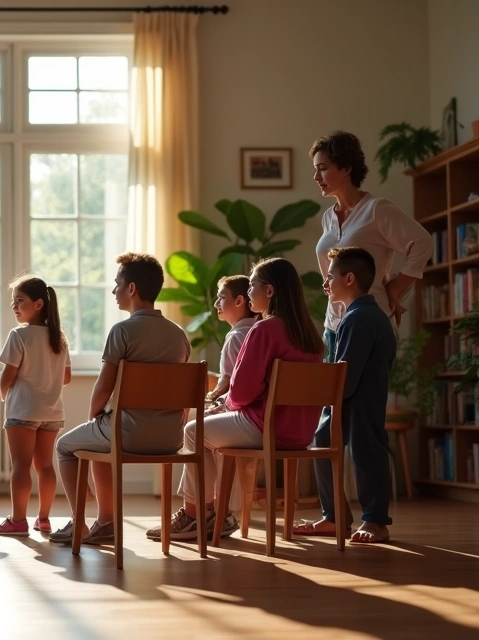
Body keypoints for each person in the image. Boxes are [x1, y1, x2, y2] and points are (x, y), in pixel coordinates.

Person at [147, 257, 326, 541]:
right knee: (206, 428)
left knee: (193, 431)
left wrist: (224, 406)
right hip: (300, 433)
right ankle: (215, 514)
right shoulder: (309, 335)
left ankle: (196, 515)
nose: (250, 290)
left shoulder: (264, 329)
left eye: (253, 285)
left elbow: (242, 392)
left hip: (265, 427)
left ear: (269, 291)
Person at [48, 254, 190, 545]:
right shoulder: (179, 335)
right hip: (171, 438)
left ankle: (80, 524)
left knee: (65, 446)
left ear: (132, 289)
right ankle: (106, 522)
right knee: (98, 436)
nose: (114, 291)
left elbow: (103, 387)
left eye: (117, 284)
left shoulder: (122, 331)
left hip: (128, 434)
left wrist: (93, 415)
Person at [295, 247, 397, 543]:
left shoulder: (358, 319)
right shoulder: (369, 315)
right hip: (353, 399)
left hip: (356, 400)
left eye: (330, 276)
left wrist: (315, 392)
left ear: (349, 278)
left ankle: (376, 521)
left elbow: (345, 377)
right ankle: (334, 515)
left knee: (367, 451)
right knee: (324, 440)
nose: (325, 284)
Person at [311, 130, 430, 337]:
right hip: (333, 326)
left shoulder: (377, 209)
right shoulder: (328, 218)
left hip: (369, 320)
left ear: (346, 168)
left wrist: (395, 288)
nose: (316, 177)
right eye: (315, 169)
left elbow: (423, 242)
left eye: (322, 169)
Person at [0, 276, 71, 537]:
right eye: (13, 302)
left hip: (22, 412)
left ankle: (18, 520)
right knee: (45, 466)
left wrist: (4, 396)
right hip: (52, 412)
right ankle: (44, 519)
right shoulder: (59, 337)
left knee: (20, 466)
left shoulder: (19, 335)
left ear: (38, 304)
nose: (14, 306)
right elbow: (66, 377)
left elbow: (8, 375)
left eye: (20, 301)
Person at [208, 275, 258, 404]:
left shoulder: (236, 337)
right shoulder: (260, 332)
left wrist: (211, 398)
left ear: (239, 301)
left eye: (222, 298)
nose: (215, 304)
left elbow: (229, 383)